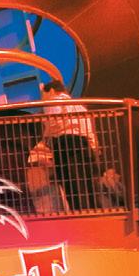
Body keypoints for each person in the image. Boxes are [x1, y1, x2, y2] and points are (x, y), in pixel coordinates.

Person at [37, 78, 101, 210]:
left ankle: (77, 210)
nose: (43, 99)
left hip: (64, 143)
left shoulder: (53, 101)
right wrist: (94, 147)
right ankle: (93, 209)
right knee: (87, 181)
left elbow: (53, 123)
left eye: (44, 95)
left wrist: (46, 136)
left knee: (69, 182)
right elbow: (88, 129)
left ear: (52, 91)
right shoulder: (78, 105)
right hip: (83, 143)